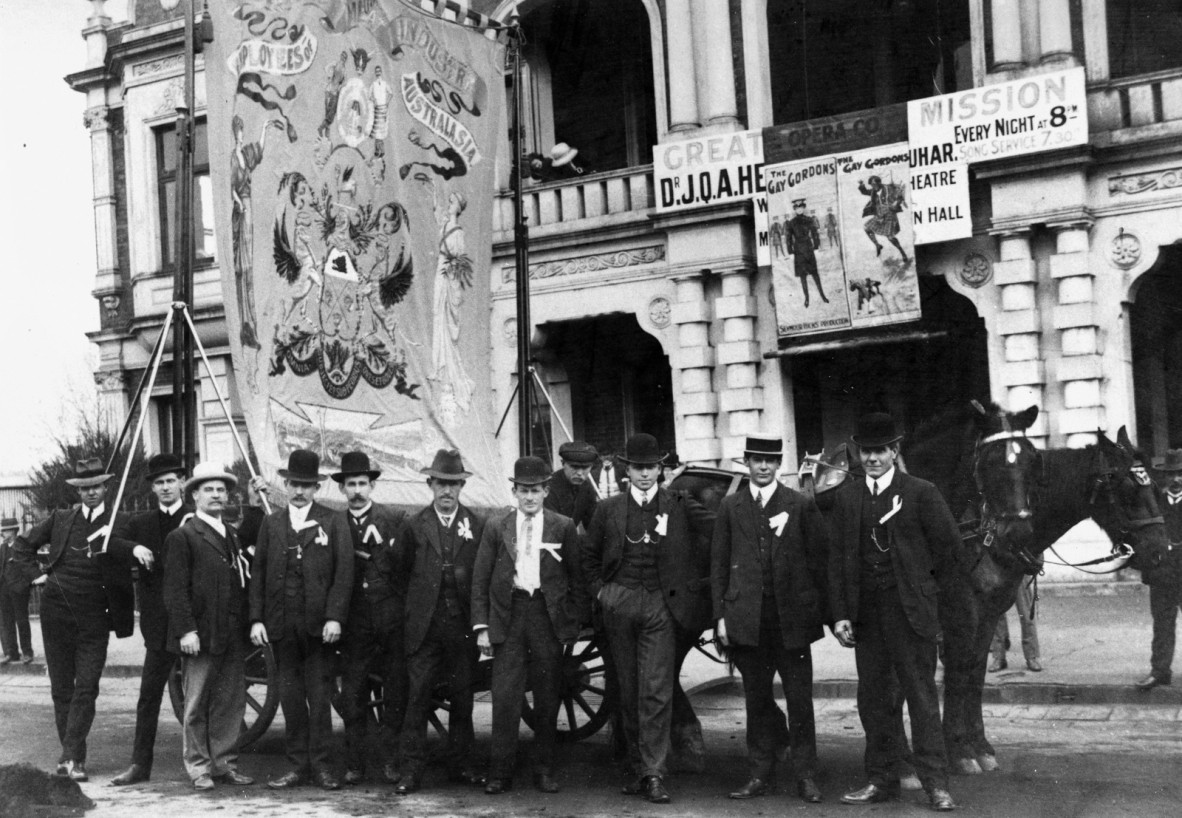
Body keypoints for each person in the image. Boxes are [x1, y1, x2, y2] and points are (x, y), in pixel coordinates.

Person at [828, 413, 958, 812]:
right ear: (858, 453)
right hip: (867, 616)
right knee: (874, 700)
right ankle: (881, 780)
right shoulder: (846, 497)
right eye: (866, 451)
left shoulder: (921, 492)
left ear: (894, 451)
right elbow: (836, 560)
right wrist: (840, 615)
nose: (872, 458)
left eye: (880, 451)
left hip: (911, 615)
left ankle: (935, 783)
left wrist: (927, 594)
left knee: (920, 698)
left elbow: (950, 552)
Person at [582, 433, 715, 804]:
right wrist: (603, 593)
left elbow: (721, 528)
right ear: (628, 470)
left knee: (655, 690)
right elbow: (588, 559)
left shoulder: (680, 502)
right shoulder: (608, 509)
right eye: (638, 468)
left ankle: (654, 772)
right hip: (620, 605)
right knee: (628, 689)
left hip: (661, 607)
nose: (644, 474)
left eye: (651, 467)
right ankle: (637, 768)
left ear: (661, 469)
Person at [10, 458, 153, 781]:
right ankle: (74, 759)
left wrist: (137, 548)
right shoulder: (61, 519)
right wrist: (35, 577)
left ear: (105, 488)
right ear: (78, 490)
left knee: (86, 687)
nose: (91, 493)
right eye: (85, 488)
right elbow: (22, 546)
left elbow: (134, 540)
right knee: (62, 689)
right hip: (56, 613)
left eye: (96, 487)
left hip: (96, 617)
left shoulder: (120, 521)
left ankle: (69, 756)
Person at [712, 434, 828, 803]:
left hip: (790, 621)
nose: (763, 467)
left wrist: (814, 606)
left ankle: (806, 776)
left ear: (779, 464)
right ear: (746, 462)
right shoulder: (731, 507)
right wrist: (720, 617)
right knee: (756, 700)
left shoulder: (799, 503)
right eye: (757, 460)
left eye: (770, 460)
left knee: (800, 701)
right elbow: (718, 566)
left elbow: (819, 558)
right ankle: (759, 773)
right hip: (748, 621)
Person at [472, 456, 580, 795]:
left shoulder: (563, 526)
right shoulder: (496, 526)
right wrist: (482, 627)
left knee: (548, 695)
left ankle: (544, 769)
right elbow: (480, 579)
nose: (529, 497)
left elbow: (577, 579)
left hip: (545, 615)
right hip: (510, 613)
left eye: (535, 491)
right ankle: (500, 772)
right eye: (523, 491)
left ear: (546, 491)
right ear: (514, 491)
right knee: (505, 695)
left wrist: (570, 623)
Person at [249, 449, 352, 791]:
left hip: (318, 629)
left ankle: (322, 766)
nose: (299, 491)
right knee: (291, 699)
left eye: (307, 486)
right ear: (285, 483)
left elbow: (344, 574)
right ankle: (297, 766)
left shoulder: (333, 520)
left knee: (320, 699)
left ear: (317, 487)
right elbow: (258, 573)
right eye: (294, 484)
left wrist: (335, 617)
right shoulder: (272, 522)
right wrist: (257, 620)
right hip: (280, 626)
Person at [396, 449, 487, 794]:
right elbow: (400, 572)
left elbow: (481, 575)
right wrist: (415, 612)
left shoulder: (476, 525)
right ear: (430, 485)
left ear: (461, 486)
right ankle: (410, 771)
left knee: (463, 700)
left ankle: (460, 766)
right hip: (425, 629)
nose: (447, 491)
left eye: (453, 484)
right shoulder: (414, 525)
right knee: (417, 698)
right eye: (440, 484)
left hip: (461, 628)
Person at [163, 462, 255, 791]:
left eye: (221, 490)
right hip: (200, 636)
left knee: (230, 702)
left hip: (231, 633)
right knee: (197, 702)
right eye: (208, 490)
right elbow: (175, 590)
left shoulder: (229, 533)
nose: (216, 495)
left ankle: (224, 763)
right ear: (194, 496)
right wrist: (186, 630)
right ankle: (199, 767)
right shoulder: (183, 536)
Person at [110, 454, 193, 786]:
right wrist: (134, 549)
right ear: (153, 488)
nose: (165, 487)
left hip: (193, 624)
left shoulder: (195, 517)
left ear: (182, 483)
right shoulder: (142, 523)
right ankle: (139, 765)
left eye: (171, 480)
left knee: (202, 697)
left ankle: (209, 764)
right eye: (159, 483)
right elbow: (110, 541)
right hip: (159, 626)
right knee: (148, 697)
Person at [331, 451, 410, 785]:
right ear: (342, 489)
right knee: (353, 694)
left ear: (373, 486)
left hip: (391, 619)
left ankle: (392, 762)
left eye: (363, 483)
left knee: (395, 692)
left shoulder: (394, 519)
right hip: (354, 622)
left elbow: (407, 569)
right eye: (351, 484)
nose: (357, 490)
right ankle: (355, 764)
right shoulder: (334, 524)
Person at [1136, 448, 1182, 690]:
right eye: (1172, 473)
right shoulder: (1154, 503)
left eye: (1181, 474)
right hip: (1162, 574)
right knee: (1162, 624)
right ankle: (1160, 671)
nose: (1176, 479)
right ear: (1164, 476)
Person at [988, 575, 1042, 672]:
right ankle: (999, 657)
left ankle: (1031, 656)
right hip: (997, 569)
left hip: (1019, 569)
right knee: (997, 614)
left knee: (1026, 614)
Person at [545, 441, 600, 533]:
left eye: (585, 467)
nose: (579, 473)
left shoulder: (586, 487)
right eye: (574, 467)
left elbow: (592, 525)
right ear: (563, 463)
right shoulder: (549, 488)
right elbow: (552, 528)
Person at [0, 517, 34, 665]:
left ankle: (27, 652)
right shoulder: (2, 548)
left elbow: (29, 567)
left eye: (6, 530)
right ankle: (11, 653)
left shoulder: (22, 546)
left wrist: (23, 585)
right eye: (2, 531)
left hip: (19, 590)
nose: (3, 533)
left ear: (14, 531)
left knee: (22, 621)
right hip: (4, 590)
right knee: (7, 622)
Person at [785, 198, 828, 308]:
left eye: (801, 208)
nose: (799, 210)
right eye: (797, 208)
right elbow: (788, 238)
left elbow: (814, 233)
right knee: (802, 276)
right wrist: (790, 252)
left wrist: (816, 246)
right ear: (795, 209)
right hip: (798, 250)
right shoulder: (791, 223)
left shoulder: (809, 220)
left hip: (808, 248)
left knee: (815, 274)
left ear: (803, 208)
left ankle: (823, 295)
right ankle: (807, 299)